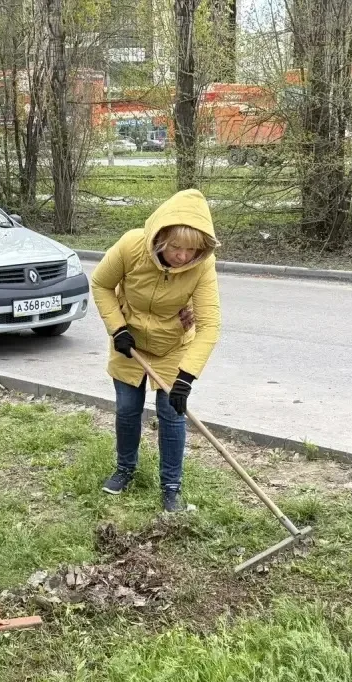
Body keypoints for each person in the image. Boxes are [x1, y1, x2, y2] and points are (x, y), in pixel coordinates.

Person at [89, 188, 221, 513]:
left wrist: (186, 377)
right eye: (176, 247)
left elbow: (209, 325)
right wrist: (117, 328)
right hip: (129, 343)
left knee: (172, 414)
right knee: (127, 409)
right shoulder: (131, 245)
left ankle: (171, 486)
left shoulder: (203, 265)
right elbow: (101, 284)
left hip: (172, 345)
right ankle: (125, 469)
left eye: (191, 249)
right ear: (161, 236)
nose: (183, 256)